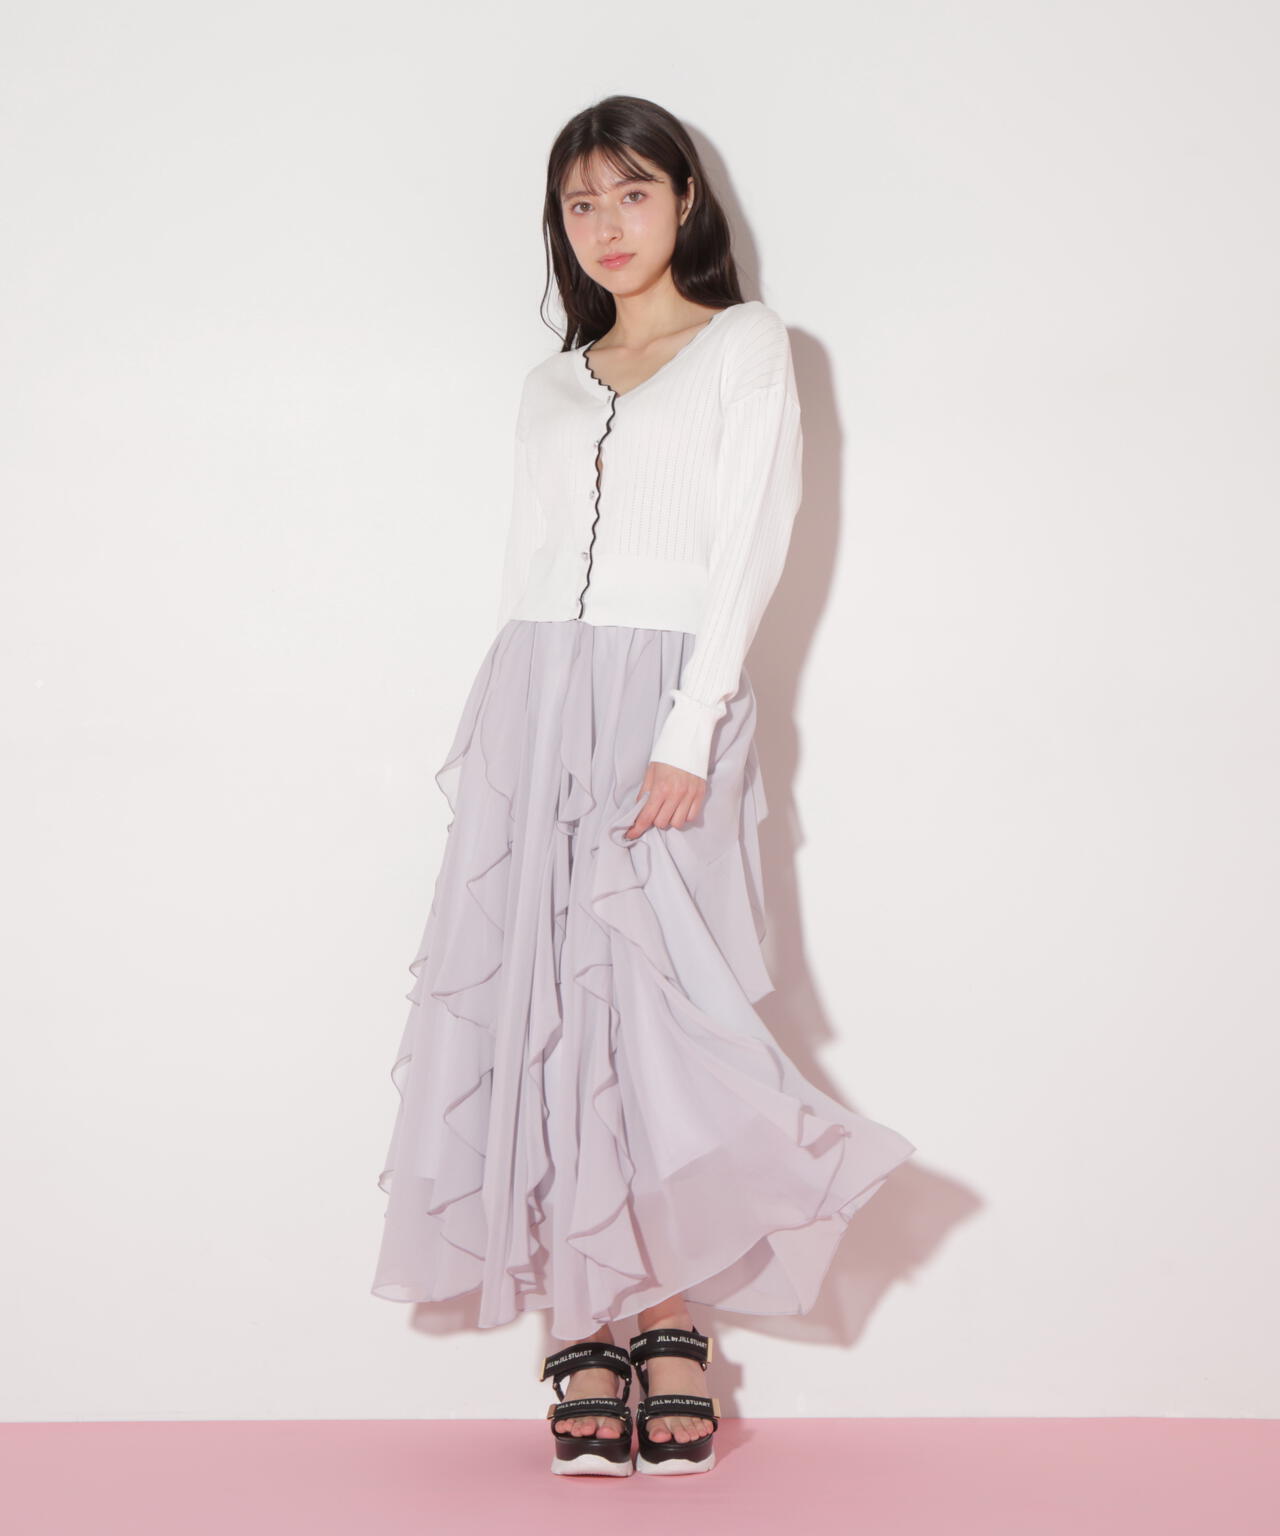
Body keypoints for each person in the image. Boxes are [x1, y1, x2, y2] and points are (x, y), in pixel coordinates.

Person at [371, 94, 917, 1478]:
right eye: (580, 202)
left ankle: (669, 1313)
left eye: (631, 193)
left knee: (664, 1011)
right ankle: (586, 1324)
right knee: (547, 1007)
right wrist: (507, 735)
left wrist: (692, 725)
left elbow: (753, 540)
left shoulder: (746, 344)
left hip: (673, 698)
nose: (606, 225)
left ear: (684, 201)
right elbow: (528, 559)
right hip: (536, 697)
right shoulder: (551, 382)